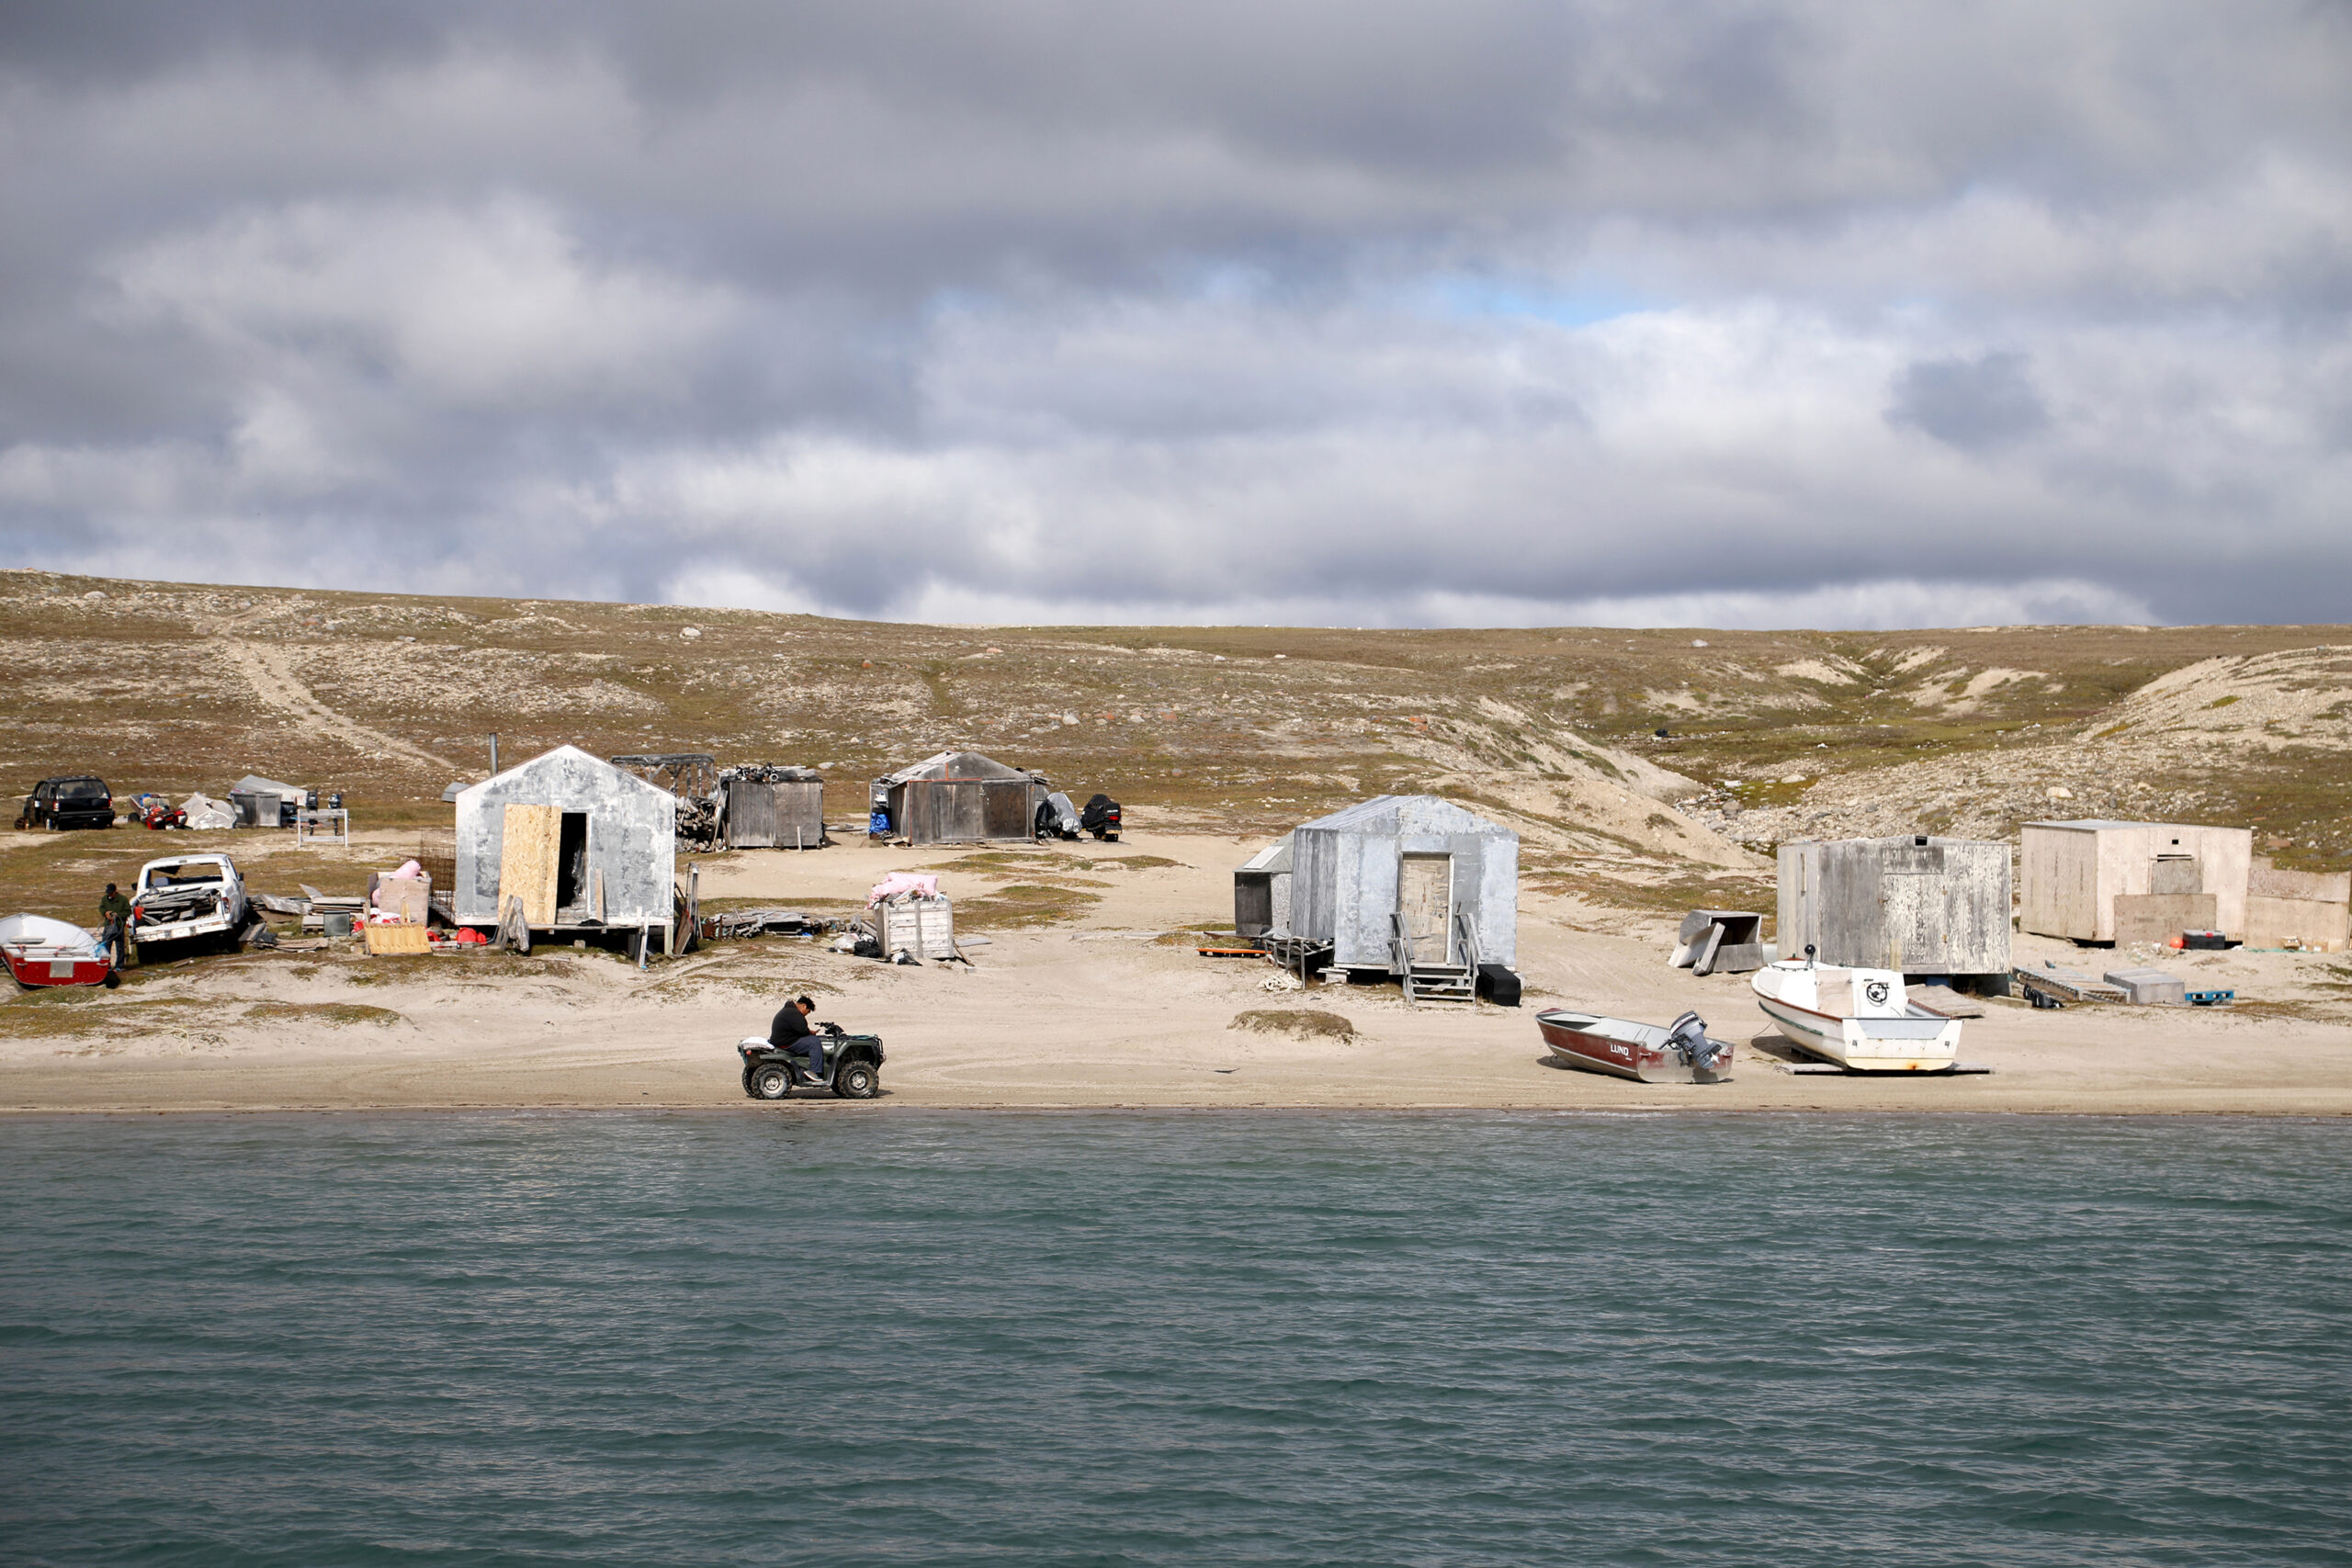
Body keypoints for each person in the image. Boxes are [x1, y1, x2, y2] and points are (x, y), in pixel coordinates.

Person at [768, 995, 825, 1083]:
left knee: (810, 1040)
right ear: (804, 1006)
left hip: (781, 1040)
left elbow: (798, 1028)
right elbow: (803, 1030)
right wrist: (810, 1033)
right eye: (807, 1012)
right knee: (815, 1042)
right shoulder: (794, 1013)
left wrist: (809, 1032)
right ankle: (815, 1072)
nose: (805, 1015)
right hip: (786, 1042)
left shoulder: (788, 1011)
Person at [97, 882, 134, 970]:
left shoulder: (123, 899)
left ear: (115, 891)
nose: (110, 895)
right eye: (108, 893)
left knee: (120, 947)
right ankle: (107, 965)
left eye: (111, 893)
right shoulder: (104, 899)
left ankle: (119, 965)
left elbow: (128, 912)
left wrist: (118, 915)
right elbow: (101, 908)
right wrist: (105, 913)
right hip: (108, 926)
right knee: (106, 946)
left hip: (119, 926)